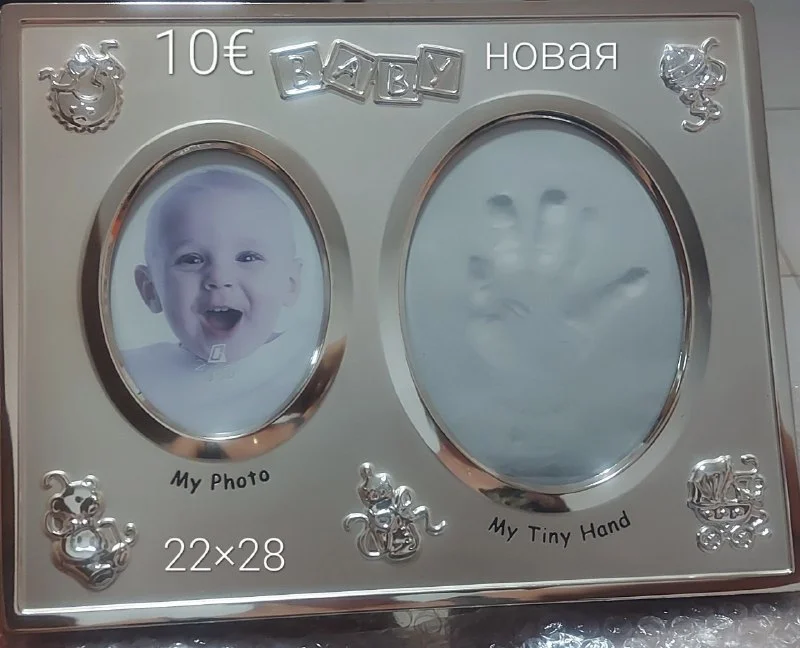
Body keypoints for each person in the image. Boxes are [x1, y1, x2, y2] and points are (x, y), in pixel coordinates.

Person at [121, 166, 318, 438]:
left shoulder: (305, 360)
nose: (219, 278)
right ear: (150, 288)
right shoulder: (136, 372)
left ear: (290, 283)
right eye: (191, 259)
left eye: (247, 257)